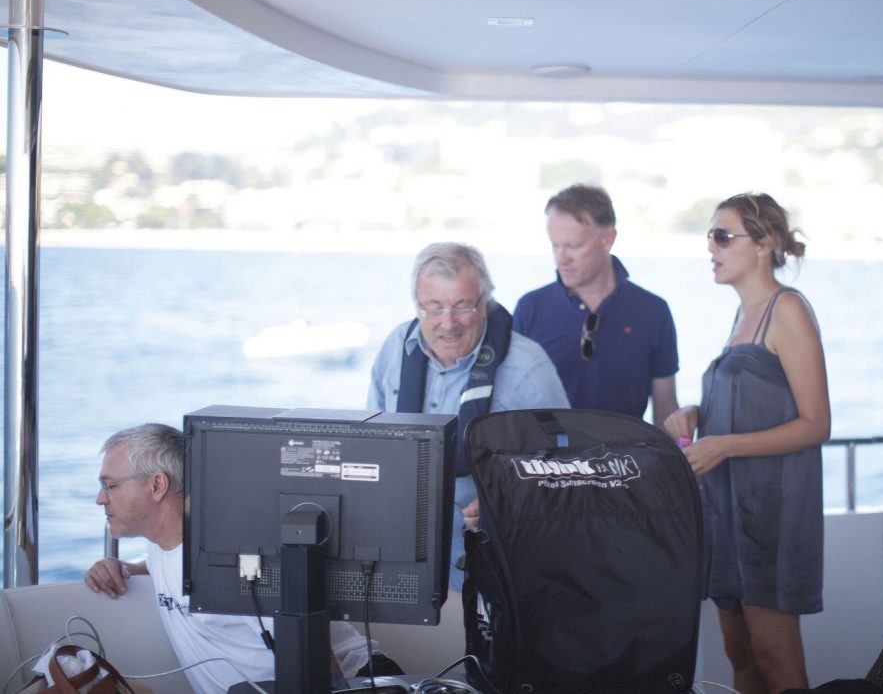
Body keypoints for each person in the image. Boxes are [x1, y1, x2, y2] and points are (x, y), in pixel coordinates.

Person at [663, 193, 830, 694]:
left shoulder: (788, 309)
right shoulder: (742, 319)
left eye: (722, 235)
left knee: (778, 664)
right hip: (727, 518)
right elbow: (749, 400)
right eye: (709, 235)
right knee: (742, 662)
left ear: (763, 244)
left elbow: (816, 424)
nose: (710, 247)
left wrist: (724, 446)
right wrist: (696, 413)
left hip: (770, 519)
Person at [83, 423, 387, 692]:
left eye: (111, 486)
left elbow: (316, 657)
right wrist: (125, 568)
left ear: (157, 485)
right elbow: (170, 565)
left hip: (356, 681)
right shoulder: (160, 542)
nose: (100, 498)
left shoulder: (234, 557)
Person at [366, 242, 569, 591]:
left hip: (494, 570)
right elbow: (370, 444)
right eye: (433, 307)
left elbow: (567, 463)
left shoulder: (529, 368)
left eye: (462, 306)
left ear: (484, 304)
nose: (448, 322)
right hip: (402, 561)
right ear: (418, 305)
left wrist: (508, 497)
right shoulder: (396, 348)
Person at [513, 184, 680, 425]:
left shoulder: (653, 311)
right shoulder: (530, 308)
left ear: (607, 239)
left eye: (573, 246)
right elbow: (510, 403)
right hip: (545, 460)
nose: (561, 257)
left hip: (626, 459)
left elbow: (665, 408)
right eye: (555, 245)